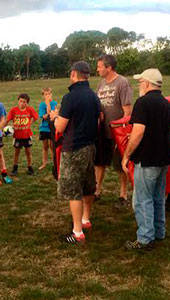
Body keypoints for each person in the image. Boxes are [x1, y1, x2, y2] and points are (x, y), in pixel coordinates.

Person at [122, 69, 170, 251]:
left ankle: (144, 239)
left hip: (147, 159)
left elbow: (138, 132)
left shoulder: (143, 103)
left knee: (142, 199)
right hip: (163, 160)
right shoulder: (167, 105)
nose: (139, 85)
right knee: (158, 197)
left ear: (147, 83)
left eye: (140, 82)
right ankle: (159, 232)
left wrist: (126, 155)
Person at [49, 61, 100, 245]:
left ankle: (77, 232)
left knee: (73, 190)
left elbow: (60, 127)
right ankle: (86, 220)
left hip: (73, 148)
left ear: (73, 74)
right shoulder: (94, 96)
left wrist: (55, 117)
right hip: (90, 146)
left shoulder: (70, 97)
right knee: (88, 185)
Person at [95, 54, 132, 207]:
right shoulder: (101, 84)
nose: (97, 70)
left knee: (120, 165)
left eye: (99, 67)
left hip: (118, 134)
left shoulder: (122, 83)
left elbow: (128, 112)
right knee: (99, 162)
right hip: (102, 132)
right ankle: (96, 191)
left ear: (109, 68)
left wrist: (122, 134)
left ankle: (123, 195)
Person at [7, 93, 38, 176]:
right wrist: (11, 126)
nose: (22, 103)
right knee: (17, 152)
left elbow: (35, 117)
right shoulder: (14, 110)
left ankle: (30, 167)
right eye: (20, 101)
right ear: (18, 101)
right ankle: (15, 168)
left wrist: (29, 124)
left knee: (28, 152)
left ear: (27, 103)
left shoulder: (29, 109)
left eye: (24, 102)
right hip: (17, 136)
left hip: (27, 135)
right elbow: (8, 119)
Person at [38, 87, 58, 170]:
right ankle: (44, 163)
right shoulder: (42, 105)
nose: (48, 96)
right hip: (44, 128)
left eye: (49, 94)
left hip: (52, 128)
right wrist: (48, 107)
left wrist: (50, 107)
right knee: (45, 147)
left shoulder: (54, 103)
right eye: (46, 94)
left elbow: (55, 114)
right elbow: (45, 116)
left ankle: (55, 162)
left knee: (52, 146)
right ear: (43, 96)